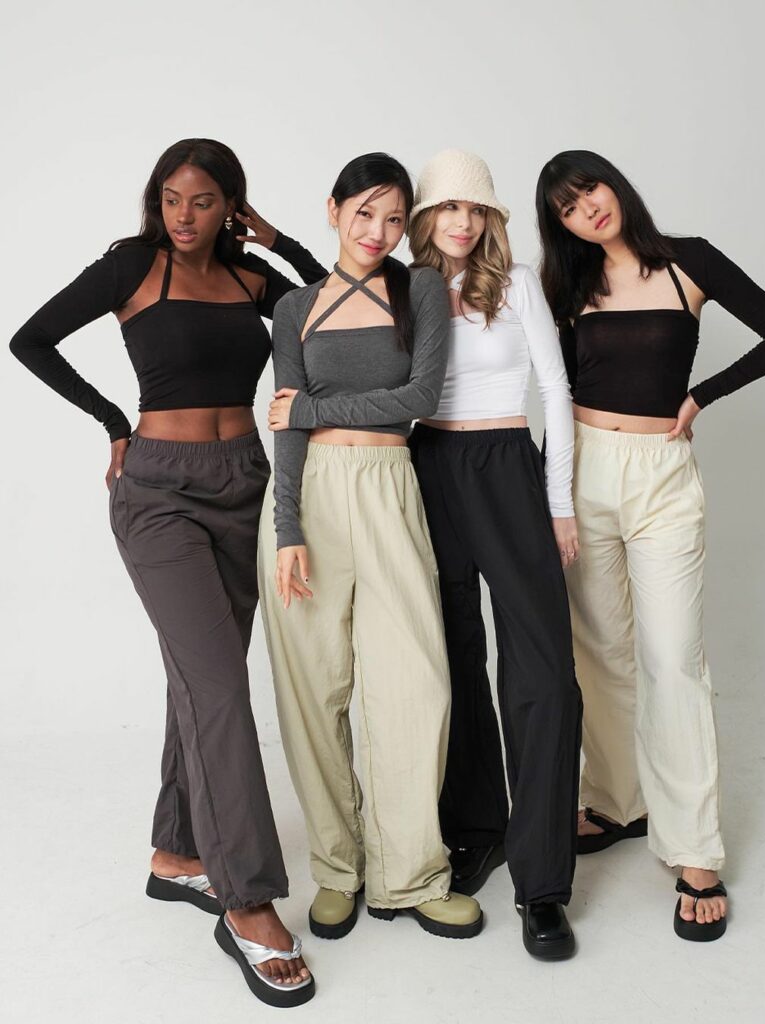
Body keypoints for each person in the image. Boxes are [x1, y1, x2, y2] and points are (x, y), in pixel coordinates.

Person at [10, 138, 328, 1007]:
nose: (184, 216)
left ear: (232, 206)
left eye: (203, 201)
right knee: (220, 686)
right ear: (155, 202)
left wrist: (278, 240)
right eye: (170, 199)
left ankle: (178, 852)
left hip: (245, 486)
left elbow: (329, 307)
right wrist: (112, 421)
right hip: (159, 492)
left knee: (199, 680)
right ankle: (247, 900)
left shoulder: (251, 279)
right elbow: (30, 339)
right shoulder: (132, 268)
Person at [535, 149, 765, 941]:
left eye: (589, 189)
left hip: (660, 475)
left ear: (613, 184)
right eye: (566, 207)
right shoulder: (568, 285)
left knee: (673, 660)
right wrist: (550, 491)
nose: (587, 209)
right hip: (583, 469)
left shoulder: (688, 260)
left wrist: (700, 396)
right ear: (560, 226)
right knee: (599, 651)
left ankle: (693, 849)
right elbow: (555, 387)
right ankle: (616, 801)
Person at [259, 152, 483, 942]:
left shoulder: (417, 290)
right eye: (364, 214)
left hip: (388, 484)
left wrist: (315, 408)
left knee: (415, 685)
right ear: (333, 210)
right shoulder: (294, 307)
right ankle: (338, 868)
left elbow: (417, 398)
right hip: (311, 497)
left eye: (393, 219)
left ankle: (411, 875)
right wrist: (287, 530)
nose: (378, 232)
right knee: (313, 689)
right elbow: (284, 427)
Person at [406, 149, 581, 960]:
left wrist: (558, 501)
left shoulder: (514, 286)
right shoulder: (403, 290)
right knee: (452, 659)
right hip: (427, 468)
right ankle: (476, 830)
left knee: (543, 672)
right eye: (449, 208)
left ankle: (542, 885)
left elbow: (555, 390)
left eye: (475, 209)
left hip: (508, 467)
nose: (463, 221)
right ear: (425, 218)